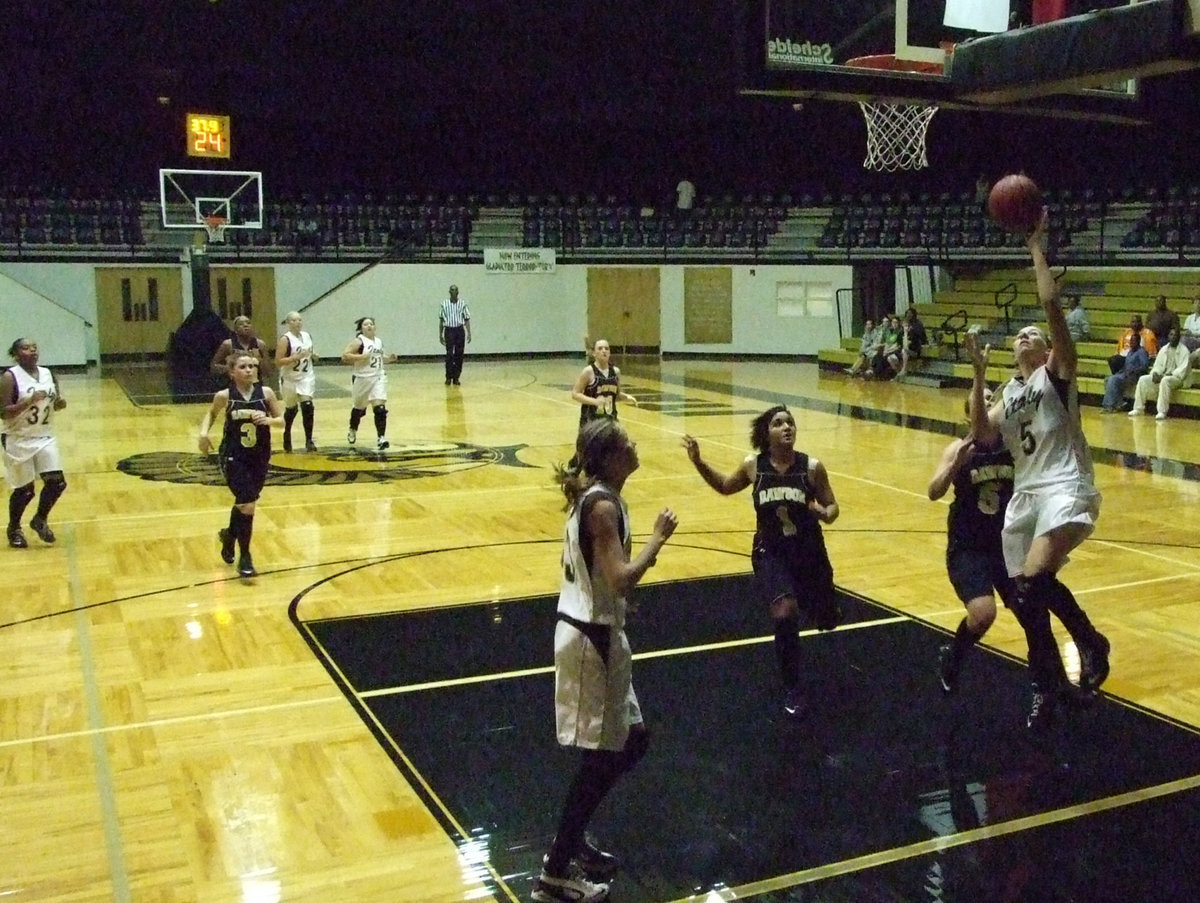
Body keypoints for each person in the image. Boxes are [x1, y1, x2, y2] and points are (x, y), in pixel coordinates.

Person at [966, 209, 1110, 733]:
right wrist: (977, 375)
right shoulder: (1008, 393)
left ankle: (1089, 642)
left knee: (1032, 584)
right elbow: (981, 435)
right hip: (1025, 496)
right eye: (1020, 334)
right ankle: (1049, 683)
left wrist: (1035, 247)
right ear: (1012, 352)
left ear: (1049, 347)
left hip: (1064, 485)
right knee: (1027, 600)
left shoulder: (1057, 375)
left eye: (1035, 333)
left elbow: (1050, 305)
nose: (1027, 335)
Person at [535, 419, 678, 903]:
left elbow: (605, 579)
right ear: (611, 456)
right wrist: (658, 539)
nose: (635, 445)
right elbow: (620, 578)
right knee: (603, 756)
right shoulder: (601, 506)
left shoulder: (602, 498)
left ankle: (572, 837)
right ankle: (555, 872)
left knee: (632, 740)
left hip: (599, 633)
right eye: (627, 442)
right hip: (590, 641)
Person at [930, 388, 1108, 696]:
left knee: (1033, 613)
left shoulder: (1014, 447)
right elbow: (933, 491)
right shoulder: (958, 449)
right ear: (968, 415)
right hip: (969, 547)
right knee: (983, 615)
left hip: (1006, 545)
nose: (987, 403)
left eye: (991, 399)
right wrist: (954, 465)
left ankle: (1055, 686)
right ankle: (954, 655)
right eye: (980, 400)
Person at [682, 405, 840, 716]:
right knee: (785, 612)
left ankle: (820, 605)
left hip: (808, 552)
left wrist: (824, 513)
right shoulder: (754, 466)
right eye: (778, 423)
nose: (787, 427)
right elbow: (725, 486)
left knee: (827, 618)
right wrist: (699, 462)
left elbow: (833, 507)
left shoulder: (811, 468)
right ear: (766, 433)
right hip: (771, 552)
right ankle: (793, 687)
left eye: (790, 422)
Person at [198, 352, 284, 578]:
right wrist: (203, 434)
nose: (249, 370)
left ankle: (229, 535)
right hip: (234, 456)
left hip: (259, 455)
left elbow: (282, 420)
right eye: (243, 366)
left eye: (252, 366)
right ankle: (245, 556)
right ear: (232, 371)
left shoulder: (266, 393)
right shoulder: (224, 396)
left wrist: (269, 420)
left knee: (245, 502)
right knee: (247, 504)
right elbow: (211, 414)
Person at [2, 338, 68, 549]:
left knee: (57, 482)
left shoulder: (48, 374)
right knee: (25, 491)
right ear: (16, 354)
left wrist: (59, 403)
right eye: (25, 348)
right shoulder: (9, 377)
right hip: (18, 438)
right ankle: (14, 528)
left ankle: (39, 519)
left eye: (34, 347)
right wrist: (28, 401)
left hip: (44, 436)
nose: (32, 350)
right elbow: (3, 413)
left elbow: (55, 403)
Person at [341, 316, 397, 450]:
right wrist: (362, 357)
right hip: (362, 379)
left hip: (378, 377)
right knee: (358, 409)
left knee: (380, 408)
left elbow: (379, 358)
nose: (369, 326)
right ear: (361, 328)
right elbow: (345, 356)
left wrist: (389, 358)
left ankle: (381, 438)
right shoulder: (359, 341)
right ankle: (353, 429)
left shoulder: (378, 341)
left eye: (371, 324)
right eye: (366, 324)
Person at [275, 311, 318, 452]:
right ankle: (287, 433)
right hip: (290, 378)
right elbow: (278, 361)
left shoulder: (307, 336)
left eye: (299, 320)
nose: (297, 322)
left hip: (306, 377)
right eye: (293, 320)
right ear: (288, 323)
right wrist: (295, 357)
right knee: (291, 409)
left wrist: (313, 355)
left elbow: (309, 353)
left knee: (307, 406)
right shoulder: (285, 339)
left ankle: (309, 440)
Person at [572, 339, 637, 427]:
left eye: (606, 348)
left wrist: (626, 397)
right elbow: (575, 394)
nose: (604, 351)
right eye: (600, 348)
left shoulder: (616, 372)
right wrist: (595, 401)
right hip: (591, 422)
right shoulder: (588, 371)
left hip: (610, 420)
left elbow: (616, 395)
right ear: (594, 353)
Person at [1131, 326, 1192, 420]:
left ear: (1179, 337)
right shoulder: (1164, 349)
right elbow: (1157, 365)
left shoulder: (1184, 351)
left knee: (1165, 380)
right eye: (1171, 335)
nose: (1173, 337)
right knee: (1143, 379)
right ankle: (1138, 408)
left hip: (1179, 379)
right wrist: (1155, 373)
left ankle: (1162, 411)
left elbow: (1182, 370)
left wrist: (1166, 375)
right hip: (1164, 376)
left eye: (1175, 335)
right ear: (1168, 336)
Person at [210, 315, 274, 383]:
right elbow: (213, 366)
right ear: (235, 329)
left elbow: (268, 371)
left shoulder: (260, 344)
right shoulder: (228, 344)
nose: (245, 325)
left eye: (248, 323)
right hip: (234, 384)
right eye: (241, 324)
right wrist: (231, 367)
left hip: (255, 383)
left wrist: (259, 360)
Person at [1100, 332, 1149, 412]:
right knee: (1107, 379)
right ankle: (1119, 403)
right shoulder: (1130, 352)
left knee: (1113, 380)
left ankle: (1108, 405)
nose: (1131, 343)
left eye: (1133, 341)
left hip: (1134, 376)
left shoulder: (1141, 352)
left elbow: (1144, 366)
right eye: (1131, 341)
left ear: (1138, 342)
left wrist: (1133, 371)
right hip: (1125, 374)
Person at [439, 285, 471, 386]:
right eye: (452, 290)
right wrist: (440, 334)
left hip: (459, 330)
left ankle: (456, 377)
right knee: (449, 354)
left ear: (458, 292)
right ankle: (448, 377)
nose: (454, 292)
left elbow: (466, 319)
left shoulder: (462, 304)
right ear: (449, 292)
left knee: (459, 354)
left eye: (455, 290)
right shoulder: (444, 304)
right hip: (449, 330)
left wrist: (469, 333)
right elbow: (441, 320)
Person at [894, 307, 928, 380]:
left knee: (904, 351)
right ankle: (898, 372)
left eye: (910, 314)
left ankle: (904, 369)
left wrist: (907, 333)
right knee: (892, 356)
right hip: (904, 349)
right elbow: (899, 343)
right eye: (907, 313)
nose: (908, 315)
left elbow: (919, 339)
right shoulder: (901, 332)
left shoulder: (917, 326)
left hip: (914, 350)